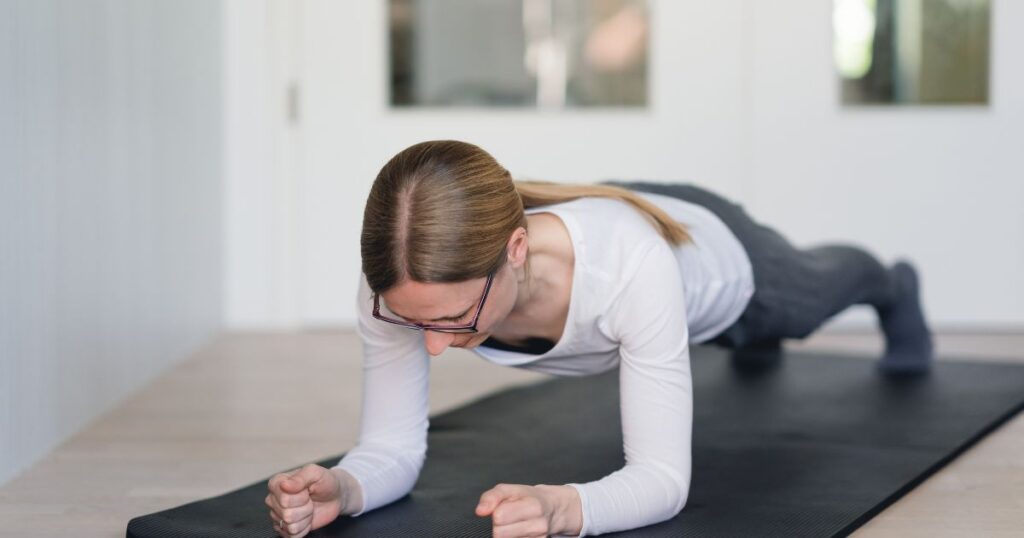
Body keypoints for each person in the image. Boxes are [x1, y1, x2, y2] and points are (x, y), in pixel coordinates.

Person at [264, 140, 934, 537]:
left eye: (457, 321)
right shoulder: (402, 282)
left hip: (723, 259)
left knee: (811, 297)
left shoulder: (628, 268)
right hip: (632, 241)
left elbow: (663, 479)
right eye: (417, 323)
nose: (434, 346)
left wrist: (564, 508)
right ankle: (750, 346)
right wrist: (345, 489)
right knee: (714, 341)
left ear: (516, 249)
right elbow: (390, 447)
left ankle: (895, 284)